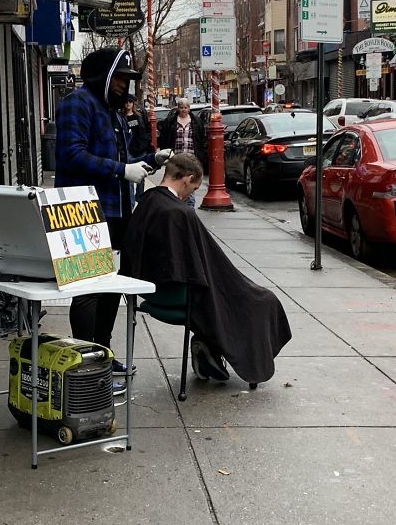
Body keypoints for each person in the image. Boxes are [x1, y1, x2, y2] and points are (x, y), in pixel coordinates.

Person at [121, 154, 292, 385]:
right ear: (187, 179)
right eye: (193, 188)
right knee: (261, 300)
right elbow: (206, 267)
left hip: (151, 291)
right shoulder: (180, 214)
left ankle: (208, 348)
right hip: (184, 295)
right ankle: (224, 352)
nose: (191, 194)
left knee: (230, 296)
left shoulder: (146, 203)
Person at [55, 47, 172, 378]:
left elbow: (121, 160)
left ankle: (101, 355)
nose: (125, 85)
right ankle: (82, 362)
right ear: (102, 76)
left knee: (110, 287)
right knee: (87, 290)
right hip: (80, 212)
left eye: (128, 79)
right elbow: (72, 156)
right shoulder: (77, 104)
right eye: (120, 78)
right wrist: (123, 171)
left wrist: (149, 160)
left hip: (115, 210)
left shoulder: (113, 112)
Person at [158, 98, 207, 207]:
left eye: (186, 108)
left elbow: (201, 139)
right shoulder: (171, 122)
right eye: (181, 108)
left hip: (191, 158)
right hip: (176, 158)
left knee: (190, 185)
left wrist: (202, 156)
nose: (183, 110)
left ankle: (189, 210)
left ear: (189, 109)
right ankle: (176, 205)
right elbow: (165, 138)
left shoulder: (196, 122)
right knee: (176, 181)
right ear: (178, 108)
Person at [123, 96, 151, 200]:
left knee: (142, 174)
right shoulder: (121, 117)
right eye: (126, 101)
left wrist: (147, 144)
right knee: (129, 176)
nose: (128, 104)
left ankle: (139, 196)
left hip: (141, 148)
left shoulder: (140, 115)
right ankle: (131, 201)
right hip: (129, 149)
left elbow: (147, 130)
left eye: (130, 101)